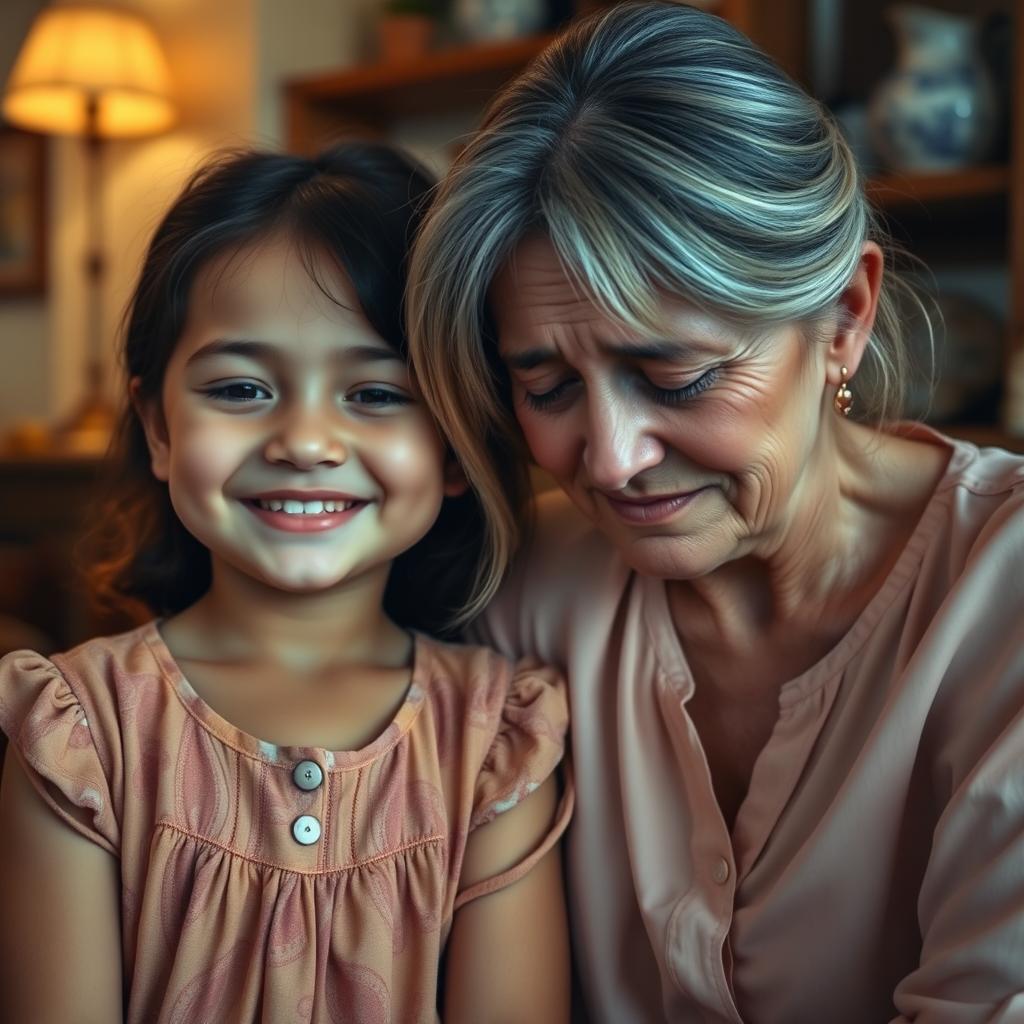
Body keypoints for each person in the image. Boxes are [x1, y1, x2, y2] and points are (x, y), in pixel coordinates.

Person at [406, 3, 1024, 1022]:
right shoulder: (521, 598)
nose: (608, 462)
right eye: (546, 387)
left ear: (843, 318)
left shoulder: (1001, 594)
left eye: (678, 376)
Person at [0, 142, 572, 1023]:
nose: (305, 442)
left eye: (377, 396)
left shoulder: (497, 744)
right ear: (157, 427)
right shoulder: (79, 736)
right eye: (240, 388)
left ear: (457, 440)